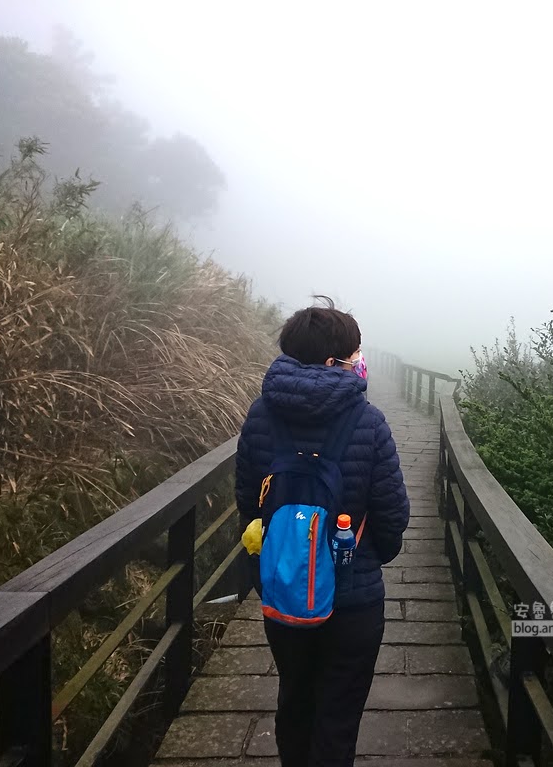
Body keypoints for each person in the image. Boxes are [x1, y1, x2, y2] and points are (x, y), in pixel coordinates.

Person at [235, 296, 410, 766]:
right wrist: (370, 556)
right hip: (352, 598)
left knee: (295, 697)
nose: (359, 360)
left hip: (284, 589)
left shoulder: (260, 414)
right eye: (354, 353)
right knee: (337, 714)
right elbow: (393, 518)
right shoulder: (369, 422)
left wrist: (270, 565)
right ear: (336, 361)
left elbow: (247, 507)